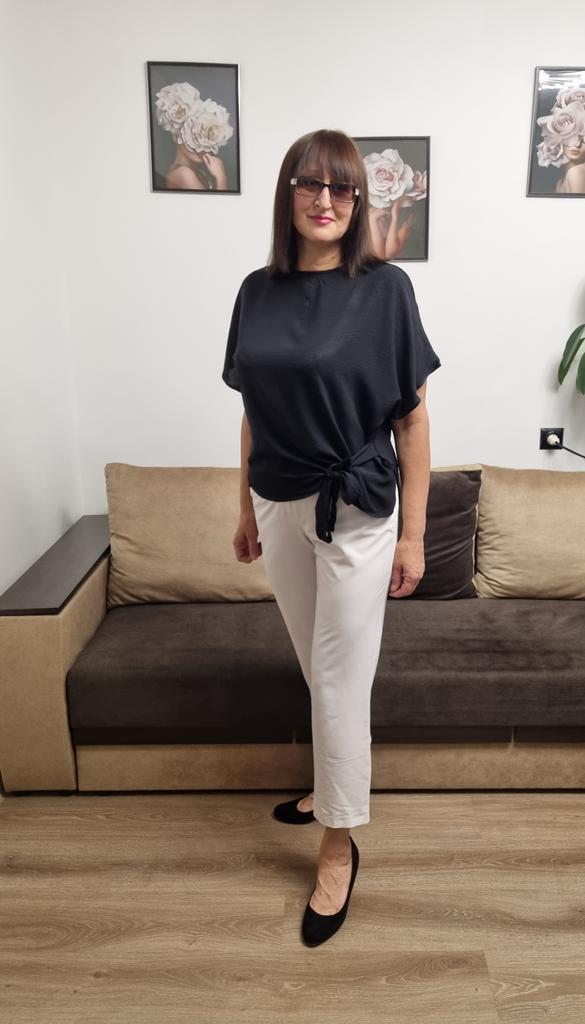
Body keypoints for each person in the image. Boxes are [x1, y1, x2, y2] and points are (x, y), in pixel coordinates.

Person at [222, 128, 442, 947]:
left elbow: (411, 423)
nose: (325, 200)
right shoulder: (255, 291)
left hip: (357, 508)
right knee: (316, 667)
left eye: (342, 188)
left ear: (358, 200)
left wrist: (413, 537)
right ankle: (327, 784)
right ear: (287, 194)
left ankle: (339, 843)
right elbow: (252, 412)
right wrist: (244, 508)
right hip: (280, 501)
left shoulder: (384, 290)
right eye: (309, 185)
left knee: (342, 682)